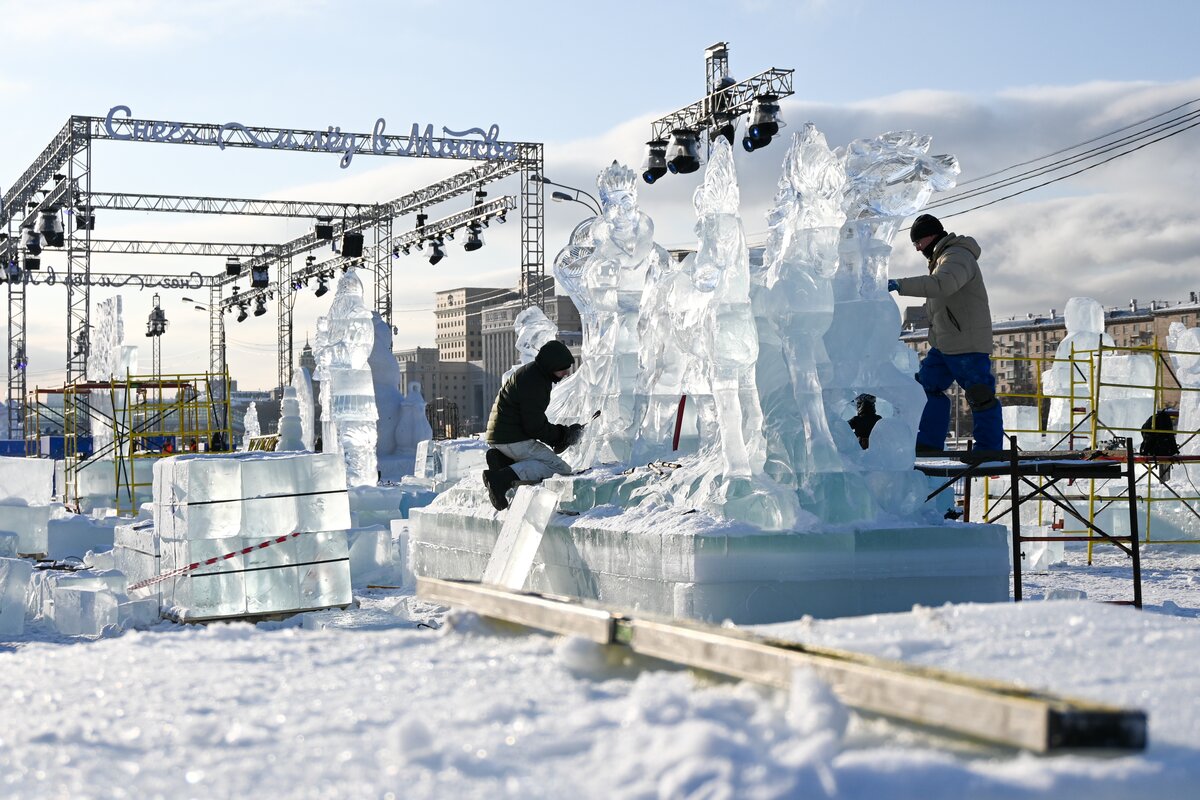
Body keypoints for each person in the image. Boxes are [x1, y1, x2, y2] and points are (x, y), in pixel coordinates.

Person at [889, 214, 1004, 452]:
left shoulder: (957, 256)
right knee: (925, 388)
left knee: (979, 394)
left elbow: (943, 285)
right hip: (945, 344)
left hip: (966, 343)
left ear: (930, 236)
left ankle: (989, 450)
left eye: (917, 242)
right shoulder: (942, 258)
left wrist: (900, 284)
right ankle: (930, 442)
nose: (918, 248)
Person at [482, 340, 583, 511]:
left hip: (502, 436)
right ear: (552, 365)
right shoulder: (535, 382)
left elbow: (533, 420)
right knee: (560, 470)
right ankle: (501, 478)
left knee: (541, 461)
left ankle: (505, 461)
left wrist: (560, 435)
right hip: (513, 439)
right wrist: (562, 435)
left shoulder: (532, 374)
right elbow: (534, 426)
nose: (567, 373)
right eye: (563, 368)